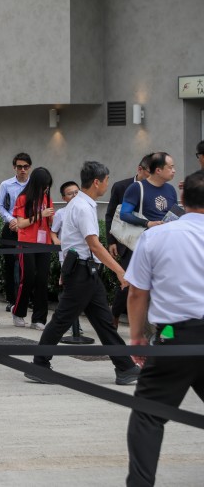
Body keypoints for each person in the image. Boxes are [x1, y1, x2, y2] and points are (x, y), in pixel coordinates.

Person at [26, 161, 140, 386]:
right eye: (106, 180)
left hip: (84, 270)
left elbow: (72, 241)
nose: (108, 183)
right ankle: (39, 364)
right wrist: (119, 271)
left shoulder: (78, 204)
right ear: (97, 182)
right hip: (82, 270)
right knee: (62, 319)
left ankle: (125, 367)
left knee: (104, 322)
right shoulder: (83, 207)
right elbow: (94, 245)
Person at [124, 170, 204, 487]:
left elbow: (136, 292)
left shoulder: (157, 236)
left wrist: (137, 337)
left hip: (174, 334)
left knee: (147, 414)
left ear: (182, 200)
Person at [105, 155, 151, 327]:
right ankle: (114, 316)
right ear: (140, 169)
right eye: (150, 172)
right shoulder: (122, 187)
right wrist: (111, 241)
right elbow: (110, 214)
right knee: (127, 281)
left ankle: (147, 324)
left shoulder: (158, 190)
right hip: (128, 242)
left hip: (150, 241)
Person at [11, 167, 55, 330]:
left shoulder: (47, 198)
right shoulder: (23, 198)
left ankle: (39, 319)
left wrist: (51, 219)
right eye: (45, 185)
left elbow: (51, 223)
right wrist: (40, 216)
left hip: (44, 243)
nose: (46, 188)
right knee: (27, 278)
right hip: (27, 242)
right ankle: (18, 312)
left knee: (42, 280)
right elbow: (20, 223)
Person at [0, 153, 32, 311]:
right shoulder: (6, 184)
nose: (22, 170)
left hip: (29, 228)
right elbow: (0, 206)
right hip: (11, 228)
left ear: (29, 167)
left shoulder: (34, 185)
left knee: (27, 265)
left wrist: (24, 222)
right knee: (10, 265)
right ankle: (12, 300)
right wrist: (12, 220)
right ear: (14, 167)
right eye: (19, 167)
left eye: (25, 167)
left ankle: (26, 298)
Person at [119, 151, 179, 234]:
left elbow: (175, 215)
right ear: (158, 170)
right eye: (170, 167)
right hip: (145, 240)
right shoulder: (136, 187)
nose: (174, 171)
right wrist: (148, 223)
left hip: (167, 239)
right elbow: (124, 214)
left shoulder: (171, 189)